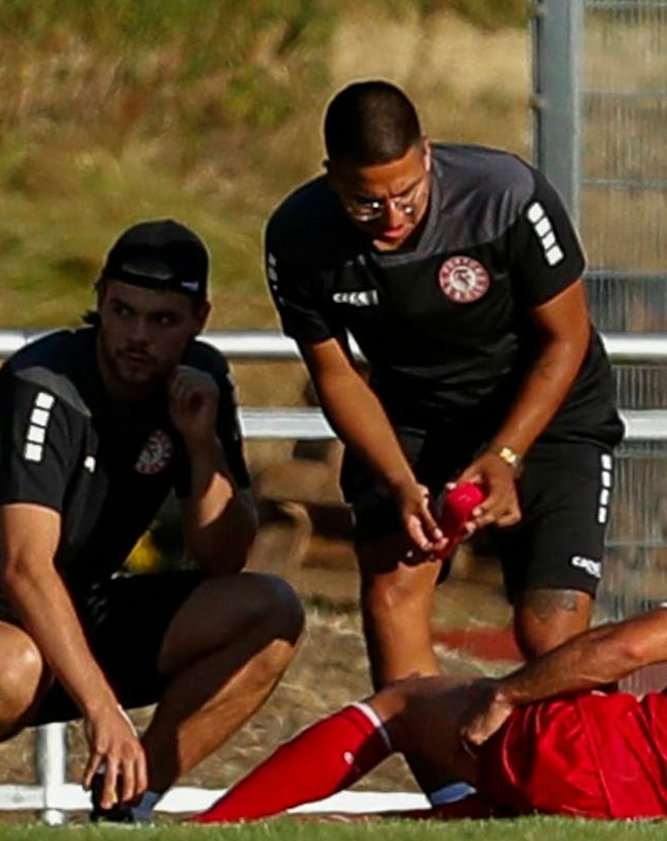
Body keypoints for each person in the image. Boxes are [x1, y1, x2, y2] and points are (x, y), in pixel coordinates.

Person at [0, 219, 304, 828]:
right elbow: (22, 569)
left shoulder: (201, 381)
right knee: (10, 663)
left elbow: (224, 558)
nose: (137, 337)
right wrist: (104, 710)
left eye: (163, 321)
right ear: (99, 298)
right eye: (123, 311)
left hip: (73, 609)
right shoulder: (44, 386)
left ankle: (126, 807)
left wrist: (203, 446)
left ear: (200, 318)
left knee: (270, 610)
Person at [263, 79, 624, 803]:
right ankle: (453, 800)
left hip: (548, 412)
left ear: (427, 156)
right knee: (393, 589)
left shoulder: (505, 194)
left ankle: (602, 787)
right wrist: (399, 481)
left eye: (407, 193)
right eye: (366, 202)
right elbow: (335, 374)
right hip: (415, 416)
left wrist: (507, 456)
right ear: (331, 175)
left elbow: (566, 338)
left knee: (546, 631)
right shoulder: (297, 236)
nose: (391, 217)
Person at [198, 501, 667, 824]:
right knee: (468, 822)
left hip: (609, 763)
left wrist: (512, 694)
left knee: (402, 703)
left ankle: (210, 828)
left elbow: (624, 650)